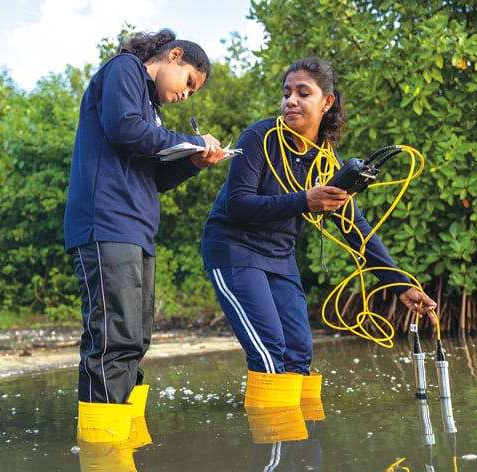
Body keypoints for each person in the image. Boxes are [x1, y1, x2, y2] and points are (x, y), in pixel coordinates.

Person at [200, 57, 437, 407]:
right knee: (270, 353)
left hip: (279, 257)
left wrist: (400, 284)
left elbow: (357, 227)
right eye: (286, 93)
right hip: (234, 251)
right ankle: (273, 449)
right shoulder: (259, 136)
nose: (290, 101)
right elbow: (237, 205)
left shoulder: (329, 161)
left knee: (299, 351)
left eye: (302, 93)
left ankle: (303, 455)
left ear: (327, 102)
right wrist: (303, 201)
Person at [64, 29, 226, 442]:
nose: (187, 95)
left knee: (136, 340)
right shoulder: (125, 69)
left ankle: (125, 440)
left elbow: (153, 177)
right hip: (105, 224)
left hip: (137, 231)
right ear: (173, 56)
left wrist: (194, 162)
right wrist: (192, 141)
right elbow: (123, 129)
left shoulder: (151, 110)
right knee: (113, 338)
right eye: (189, 82)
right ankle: (103, 449)